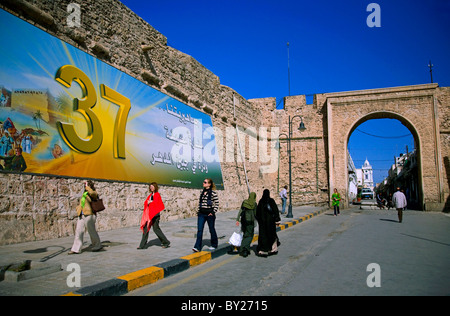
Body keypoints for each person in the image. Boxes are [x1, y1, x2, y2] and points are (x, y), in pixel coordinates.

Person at [69, 180, 103, 254]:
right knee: (79, 231)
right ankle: (76, 249)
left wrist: (88, 187)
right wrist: (78, 208)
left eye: (86, 185)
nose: (85, 187)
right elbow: (83, 203)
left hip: (89, 214)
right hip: (81, 214)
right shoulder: (84, 193)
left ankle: (97, 245)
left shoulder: (93, 193)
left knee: (91, 231)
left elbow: (93, 194)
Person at [138, 182, 170, 249]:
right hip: (149, 215)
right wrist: (148, 202)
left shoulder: (157, 195)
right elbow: (146, 202)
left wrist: (150, 203)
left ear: (155, 187)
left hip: (155, 215)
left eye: (152, 186)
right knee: (145, 228)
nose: (151, 188)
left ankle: (166, 242)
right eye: (150, 187)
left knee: (156, 229)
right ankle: (142, 245)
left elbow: (157, 204)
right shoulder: (150, 195)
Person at [193, 178, 219, 252]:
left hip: (209, 214)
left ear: (209, 184)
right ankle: (197, 247)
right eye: (203, 182)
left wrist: (213, 212)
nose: (203, 183)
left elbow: (216, 203)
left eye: (205, 182)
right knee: (199, 230)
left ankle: (214, 244)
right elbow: (200, 203)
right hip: (201, 214)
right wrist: (198, 211)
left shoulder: (213, 193)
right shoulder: (202, 192)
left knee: (211, 229)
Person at [256, 189, 281, 257]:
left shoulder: (261, 201)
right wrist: (277, 219)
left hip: (262, 223)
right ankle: (273, 249)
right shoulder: (271, 201)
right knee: (272, 235)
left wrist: (260, 221)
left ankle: (262, 250)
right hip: (270, 222)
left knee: (263, 236)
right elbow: (275, 210)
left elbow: (257, 213)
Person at [235, 192, 257, 257]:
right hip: (250, 221)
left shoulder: (244, 202)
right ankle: (245, 249)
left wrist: (237, 219)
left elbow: (241, 210)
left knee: (245, 234)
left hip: (244, 221)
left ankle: (244, 248)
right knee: (250, 235)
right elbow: (256, 213)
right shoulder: (254, 204)